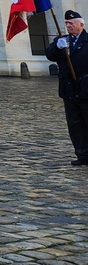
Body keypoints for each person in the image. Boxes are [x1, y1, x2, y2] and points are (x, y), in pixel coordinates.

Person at [46, 9, 88, 166]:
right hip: (69, 89)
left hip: (85, 88)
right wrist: (56, 47)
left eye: (71, 23)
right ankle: (82, 154)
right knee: (75, 124)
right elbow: (50, 55)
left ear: (81, 24)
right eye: (66, 23)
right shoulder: (62, 40)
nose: (68, 26)